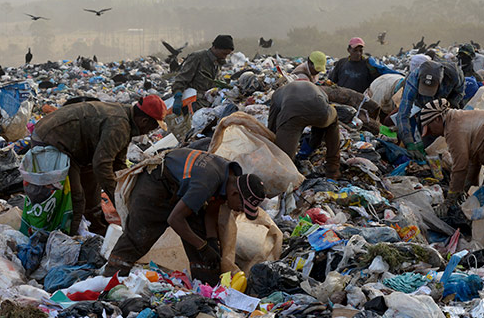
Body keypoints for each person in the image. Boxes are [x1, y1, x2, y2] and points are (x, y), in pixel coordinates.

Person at [104, 148, 266, 285]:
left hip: (178, 189)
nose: (239, 211)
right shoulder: (206, 182)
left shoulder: (230, 176)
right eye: (241, 207)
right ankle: (109, 280)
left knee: (200, 236)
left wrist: (210, 241)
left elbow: (211, 212)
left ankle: (207, 287)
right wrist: (202, 247)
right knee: (139, 237)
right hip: (155, 184)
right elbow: (174, 220)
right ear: (235, 193)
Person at [30, 95, 166, 234]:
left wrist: (128, 189)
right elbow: (102, 165)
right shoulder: (119, 125)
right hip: (51, 140)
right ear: (144, 121)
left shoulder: (126, 119)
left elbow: (118, 162)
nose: (150, 132)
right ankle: (70, 240)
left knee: (92, 193)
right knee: (76, 198)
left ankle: (97, 232)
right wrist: (118, 199)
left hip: (74, 147)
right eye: (152, 128)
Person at [419, 99, 484, 213]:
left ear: (437, 119)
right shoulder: (457, 118)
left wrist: (451, 198)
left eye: (430, 128)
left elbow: (460, 167)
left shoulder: (453, 128)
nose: (432, 133)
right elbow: (473, 161)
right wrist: (466, 190)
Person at [267, 80, 340, 179]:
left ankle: (286, 181)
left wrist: (276, 143)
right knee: (332, 120)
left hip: (292, 117)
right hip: (321, 114)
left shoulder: (276, 95)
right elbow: (321, 118)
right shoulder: (319, 90)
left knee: (284, 159)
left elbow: (272, 126)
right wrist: (315, 142)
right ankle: (333, 169)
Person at [396, 59, 465, 159]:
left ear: (441, 81)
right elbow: (403, 114)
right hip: (423, 107)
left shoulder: (454, 75)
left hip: (446, 103)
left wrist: (449, 106)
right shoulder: (413, 80)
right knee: (426, 141)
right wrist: (408, 142)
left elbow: (459, 92)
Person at [171, 35, 235, 113]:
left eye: (227, 55)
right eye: (224, 53)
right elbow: (181, 79)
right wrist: (178, 97)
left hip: (209, 105)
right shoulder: (198, 57)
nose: (225, 57)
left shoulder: (218, 62)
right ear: (215, 47)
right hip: (194, 104)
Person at [327, 37, 400, 93]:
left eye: (360, 50)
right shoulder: (342, 63)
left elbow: (376, 83)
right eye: (355, 50)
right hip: (343, 99)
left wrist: (374, 72)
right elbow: (332, 81)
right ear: (348, 50)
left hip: (360, 101)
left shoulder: (368, 65)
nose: (358, 53)